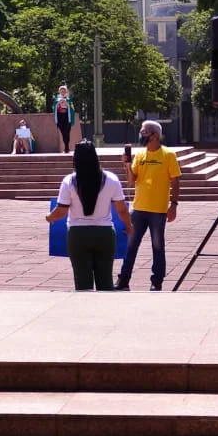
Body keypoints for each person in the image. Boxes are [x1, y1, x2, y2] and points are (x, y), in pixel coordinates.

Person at [45, 141, 133, 291]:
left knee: (82, 283)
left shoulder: (69, 181)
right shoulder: (111, 179)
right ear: (95, 157)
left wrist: (49, 217)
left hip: (78, 235)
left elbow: (61, 211)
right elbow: (122, 210)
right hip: (104, 234)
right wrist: (129, 226)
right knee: (105, 281)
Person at [116, 119, 181, 291]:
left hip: (158, 210)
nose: (141, 135)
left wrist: (173, 204)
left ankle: (156, 281)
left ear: (155, 135)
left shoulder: (168, 155)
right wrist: (127, 165)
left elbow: (175, 181)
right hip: (138, 209)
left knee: (158, 246)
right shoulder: (140, 155)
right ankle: (123, 280)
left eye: (144, 132)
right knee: (131, 245)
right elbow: (131, 181)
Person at [53, 84, 76, 153]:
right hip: (60, 117)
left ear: (66, 92)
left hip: (67, 117)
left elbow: (72, 109)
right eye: (61, 91)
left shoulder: (69, 99)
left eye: (64, 91)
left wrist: (67, 104)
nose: (62, 92)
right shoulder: (56, 99)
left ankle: (66, 147)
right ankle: (66, 146)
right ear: (59, 92)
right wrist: (58, 103)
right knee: (63, 133)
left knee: (67, 132)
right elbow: (54, 108)